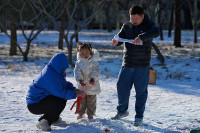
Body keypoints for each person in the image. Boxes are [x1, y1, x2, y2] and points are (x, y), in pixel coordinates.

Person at [111, 5, 159, 126]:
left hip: (142, 65)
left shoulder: (149, 25)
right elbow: (120, 37)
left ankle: (139, 116)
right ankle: (122, 111)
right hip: (127, 63)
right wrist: (116, 42)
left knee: (141, 92)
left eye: (136, 18)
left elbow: (156, 32)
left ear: (142, 16)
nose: (134, 21)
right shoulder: (126, 26)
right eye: (132, 18)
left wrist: (141, 37)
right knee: (121, 88)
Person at [26, 53, 85, 131]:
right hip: (34, 104)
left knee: (61, 99)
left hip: (41, 99)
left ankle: (54, 117)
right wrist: (75, 93)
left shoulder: (55, 71)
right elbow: (60, 92)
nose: (65, 70)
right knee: (60, 100)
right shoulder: (50, 75)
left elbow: (63, 84)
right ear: (59, 65)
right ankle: (44, 121)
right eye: (63, 68)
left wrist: (73, 89)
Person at [74, 42, 101, 120]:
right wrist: (80, 80)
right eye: (82, 53)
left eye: (86, 53)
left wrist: (93, 78)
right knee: (81, 100)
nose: (84, 55)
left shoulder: (94, 62)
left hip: (92, 85)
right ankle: (80, 113)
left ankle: (90, 114)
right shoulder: (79, 63)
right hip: (82, 86)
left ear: (90, 52)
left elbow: (97, 71)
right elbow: (77, 72)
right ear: (79, 53)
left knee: (91, 101)